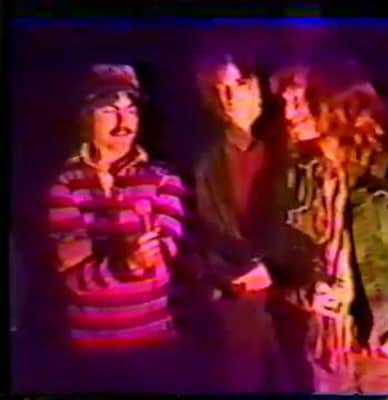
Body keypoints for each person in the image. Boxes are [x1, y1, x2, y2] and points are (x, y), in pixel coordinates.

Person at [271, 60, 388, 394]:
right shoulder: (298, 175)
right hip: (325, 360)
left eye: (298, 101)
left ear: (333, 101)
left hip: (385, 360)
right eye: (285, 102)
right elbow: (283, 264)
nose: (288, 113)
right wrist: (308, 294)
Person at [47, 64, 206, 393]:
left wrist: (99, 252)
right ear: (87, 117)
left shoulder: (163, 179)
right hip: (90, 352)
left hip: (154, 346)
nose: (124, 123)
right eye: (109, 111)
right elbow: (72, 282)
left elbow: (159, 270)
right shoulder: (65, 184)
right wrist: (125, 260)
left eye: (131, 110)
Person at [192, 52, 293, 392]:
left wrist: (278, 268)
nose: (229, 97)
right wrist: (230, 276)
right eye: (219, 89)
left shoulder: (291, 146)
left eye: (239, 84)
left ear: (259, 86)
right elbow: (210, 233)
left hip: (295, 306)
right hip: (241, 312)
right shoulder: (210, 164)